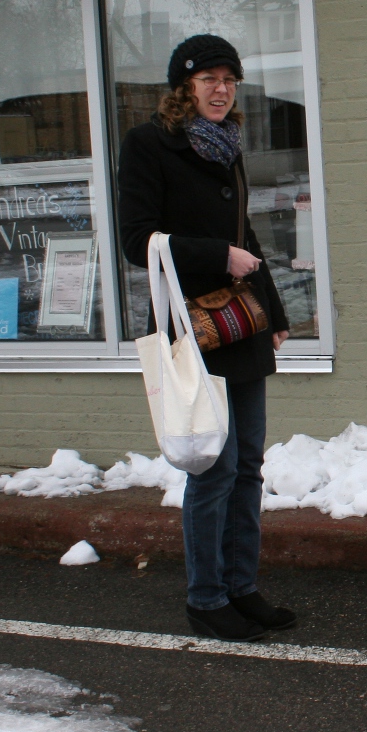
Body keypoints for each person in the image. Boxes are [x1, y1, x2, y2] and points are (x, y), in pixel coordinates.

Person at [118, 34, 294, 643]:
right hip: (192, 329)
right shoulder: (148, 145)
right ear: (183, 87)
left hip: (240, 324)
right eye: (208, 79)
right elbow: (136, 239)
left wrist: (274, 312)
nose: (221, 90)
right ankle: (206, 595)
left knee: (247, 465)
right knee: (212, 470)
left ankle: (242, 587)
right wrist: (219, 255)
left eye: (229, 79)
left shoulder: (229, 147)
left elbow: (245, 229)